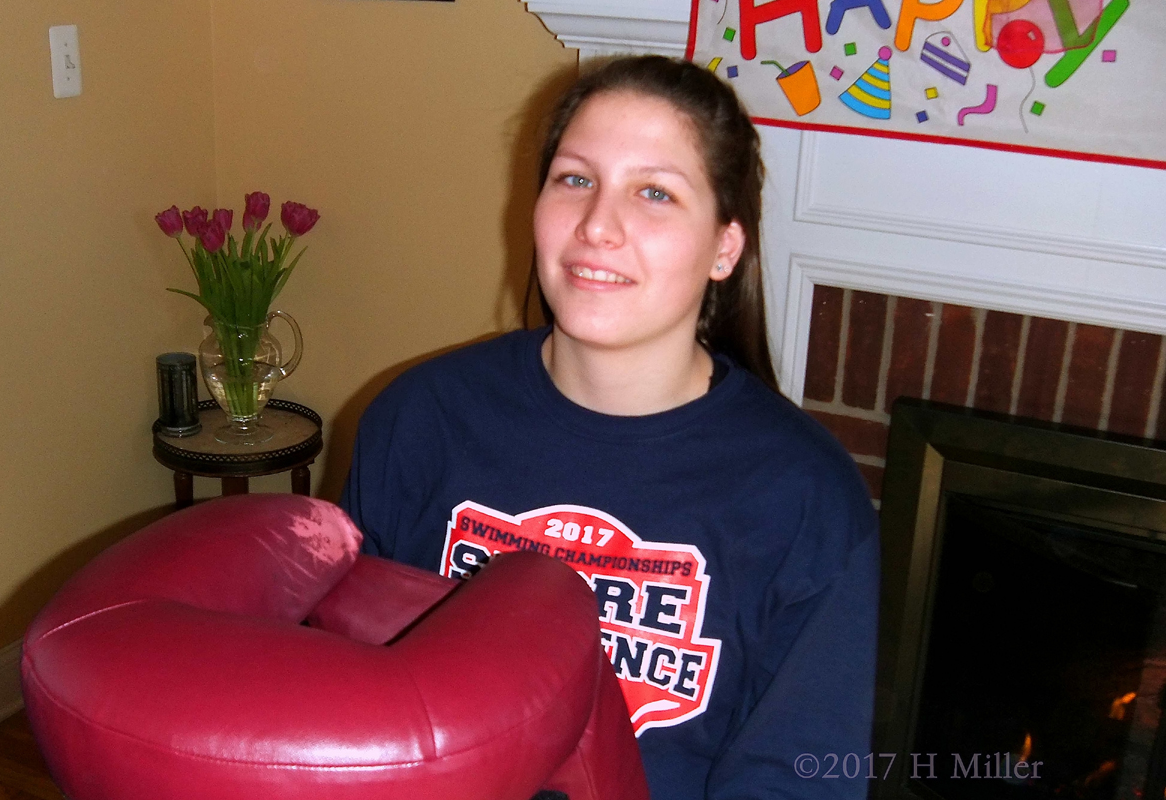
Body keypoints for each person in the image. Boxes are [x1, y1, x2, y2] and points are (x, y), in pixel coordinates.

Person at [341, 56, 879, 799]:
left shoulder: (806, 496)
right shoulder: (420, 418)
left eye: (654, 192)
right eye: (575, 179)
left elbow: (800, 776)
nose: (598, 226)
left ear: (725, 247)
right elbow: (345, 690)